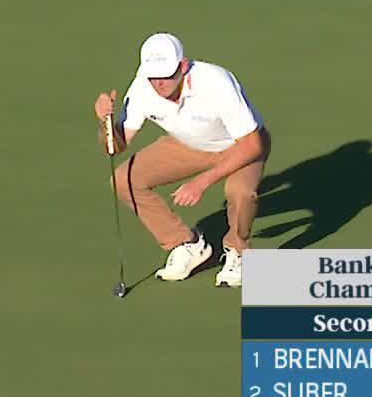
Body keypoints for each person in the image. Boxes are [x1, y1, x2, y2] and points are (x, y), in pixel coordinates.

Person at [95, 33, 272, 288]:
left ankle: (238, 252)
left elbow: (252, 144)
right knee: (124, 180)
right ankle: (186, 245)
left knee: (240, 192)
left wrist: (202, 182)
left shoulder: (216, 83)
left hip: (239, 145)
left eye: (167, 75)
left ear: (183, 65)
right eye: (153, 76)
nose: (159, 83)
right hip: (188, 144)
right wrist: (105, 122)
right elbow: (116, 146)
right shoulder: (142, 88)